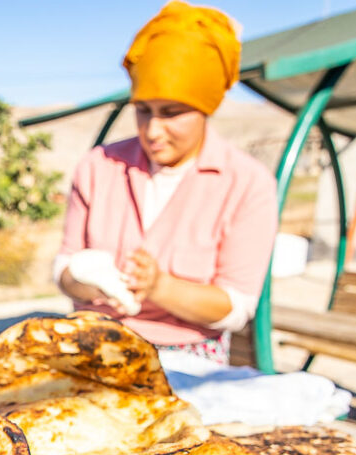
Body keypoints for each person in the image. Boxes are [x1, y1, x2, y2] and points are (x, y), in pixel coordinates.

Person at [54, 1, 278, 364]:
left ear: (206, 109)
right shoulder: (98, 166)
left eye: (172, 113)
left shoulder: (248, 183)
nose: (153, 131)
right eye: (143, 111)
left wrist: (160, 287)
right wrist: (83, 278)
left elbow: (236, 307)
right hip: (90, 346)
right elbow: (63, 268)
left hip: (188, 358)